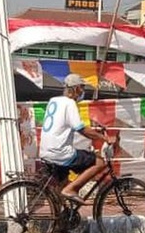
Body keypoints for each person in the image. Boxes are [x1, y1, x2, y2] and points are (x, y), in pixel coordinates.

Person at [39, 73, 116, 203]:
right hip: (60, 153)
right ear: (75, 89)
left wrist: (94, 129)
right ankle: (71, 189)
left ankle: (59, 218)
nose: (82, 91)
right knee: (99, 162)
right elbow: (81, 129)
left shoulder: (54, 101)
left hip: (46, 151)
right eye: (81, 88)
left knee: (61, 185)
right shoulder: (70, 103)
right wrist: (104, 138)